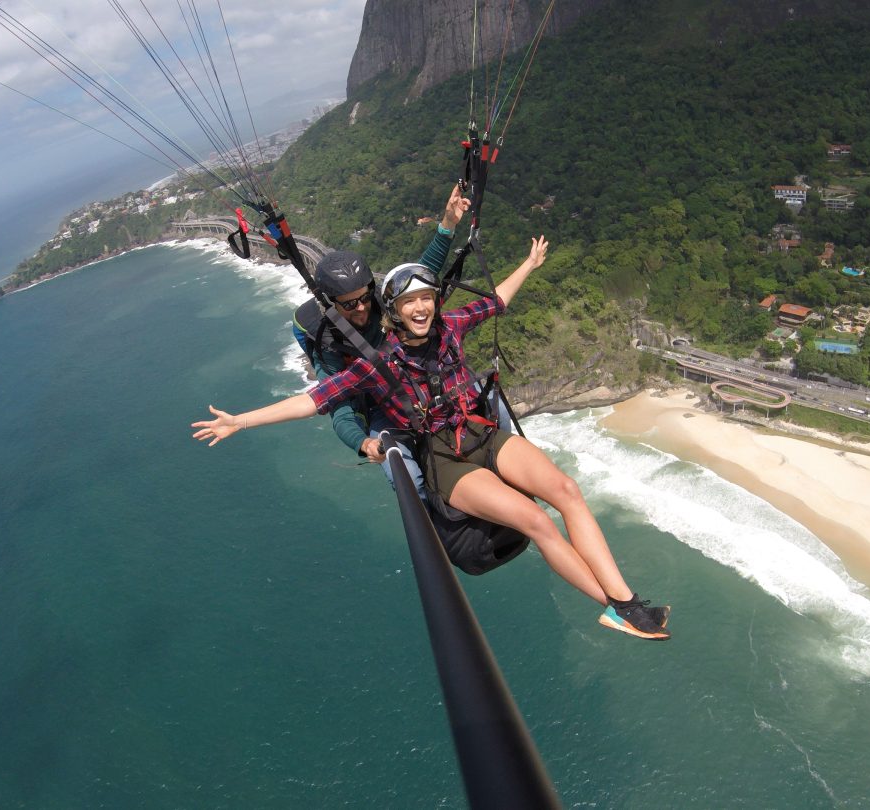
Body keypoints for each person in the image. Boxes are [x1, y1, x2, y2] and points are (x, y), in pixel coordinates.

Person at [193, 237, 671, 640]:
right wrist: (243, 420)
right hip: (446, 459)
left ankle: (627, 598)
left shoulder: (453, 326)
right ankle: (616, 608)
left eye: (427, 297)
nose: (421, 306)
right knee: (534, 519)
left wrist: (528, 263)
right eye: (409, 301)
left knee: (567, 491)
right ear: (395, 310)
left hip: (480, 432)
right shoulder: (378, 363)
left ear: (435, 302)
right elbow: (316, 399)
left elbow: (496, 300)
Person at [290, 186, 470, 475]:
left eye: (364, 297)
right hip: (379, 404)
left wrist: (448, 225)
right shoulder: (329, 342)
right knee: (404, 475)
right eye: (349, 304)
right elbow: (338, 404)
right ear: (331, 304)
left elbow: (418, 276)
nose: (361, 308)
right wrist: (363, 443)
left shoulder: (381, 305)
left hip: (417, 384)